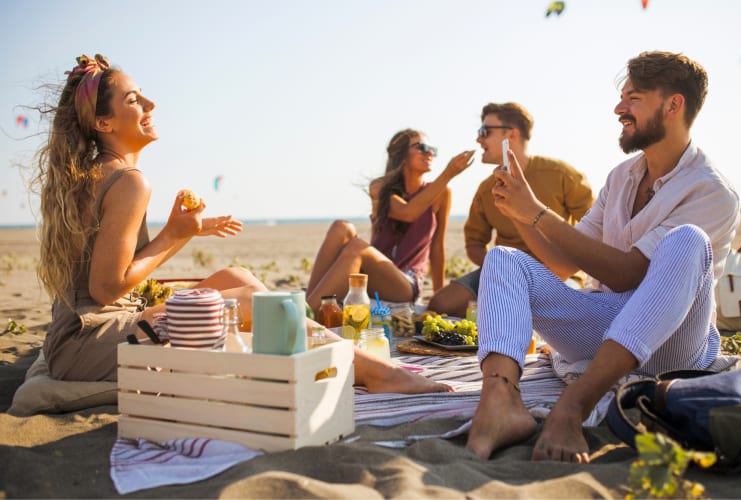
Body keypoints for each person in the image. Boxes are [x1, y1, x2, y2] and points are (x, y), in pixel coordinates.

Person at [29, 53, 450, 395]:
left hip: (83, 335)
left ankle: (339, 360)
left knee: (237, 276)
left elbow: (102, 276)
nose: (151, 105)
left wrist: (183, 235)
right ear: (103, 124)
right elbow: (106, 289)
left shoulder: (95, 173)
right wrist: (177, 234)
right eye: (135, 100)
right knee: (254, 301)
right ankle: (374, 372)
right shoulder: (129, 181)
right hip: (91, 344)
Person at [465, 51, 741, 462]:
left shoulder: (711, 191)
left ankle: (574, 405)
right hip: (605, 323)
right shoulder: (621, 177)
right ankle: (500, 400)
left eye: (634, 98)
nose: (619, 108)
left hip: (673, 341)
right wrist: (520, 215)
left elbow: (628, 272)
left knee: (687, 240)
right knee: (504, 258)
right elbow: (562, 264)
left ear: (673, 105)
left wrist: (537, 210)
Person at [428, 103, 593, 317]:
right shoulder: (487, 189)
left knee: (555, 313)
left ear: (511, 134)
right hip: (506, 271)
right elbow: (475, 244)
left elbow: (594, 228)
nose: (479, 139)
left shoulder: (561, 174)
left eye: (485, 132)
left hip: (557, 272)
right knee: (441, 304)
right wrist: (503, 270)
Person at [305, 129, 475, 312]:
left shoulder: (441, 193)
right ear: (401, 154)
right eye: (422, 147)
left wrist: (439, 299)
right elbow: (407, 212)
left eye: (432, 148)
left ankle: (305, 316)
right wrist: (448, 173)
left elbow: (437, 246)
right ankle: (308, 305)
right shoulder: (379, 188)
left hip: (405, 283)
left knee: (357, 247)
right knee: (341, 227)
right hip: (373, 274)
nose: (429, 152)